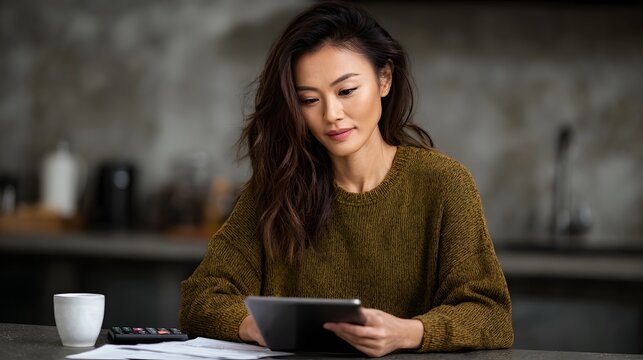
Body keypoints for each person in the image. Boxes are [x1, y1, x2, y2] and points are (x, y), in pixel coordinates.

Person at [180, 1, 513, 356]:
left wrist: (408, 332)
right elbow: (201, 298)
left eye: (346, 91)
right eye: (309, 99)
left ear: (384, 79)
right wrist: (258, 326)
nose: (331, 115)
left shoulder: (444, 184)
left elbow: (490, 315)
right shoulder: (276, 189)